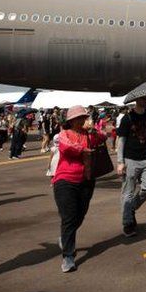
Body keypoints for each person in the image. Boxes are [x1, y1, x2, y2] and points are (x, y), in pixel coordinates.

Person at [52, 105, 106, 273]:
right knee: (69, 217)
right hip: (65, 181)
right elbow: (66, 147)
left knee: (80, 215)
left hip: (86, 180)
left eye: (83, 117)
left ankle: (65, 238)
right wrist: (83, 150)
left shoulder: (89, 135)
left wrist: (95, 131)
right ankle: (68, 256)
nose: (82, 120)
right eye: (78, 118)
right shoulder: (64, 134)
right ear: (71, 121)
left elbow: (104, 137)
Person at [116, 96, 146, 237]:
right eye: (143, 99)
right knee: (128, 191)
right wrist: (120, 162)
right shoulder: (127, 118)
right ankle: (128, 223)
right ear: (137, 100)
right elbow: (121, 141)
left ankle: (130, 208)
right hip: (130, 159)